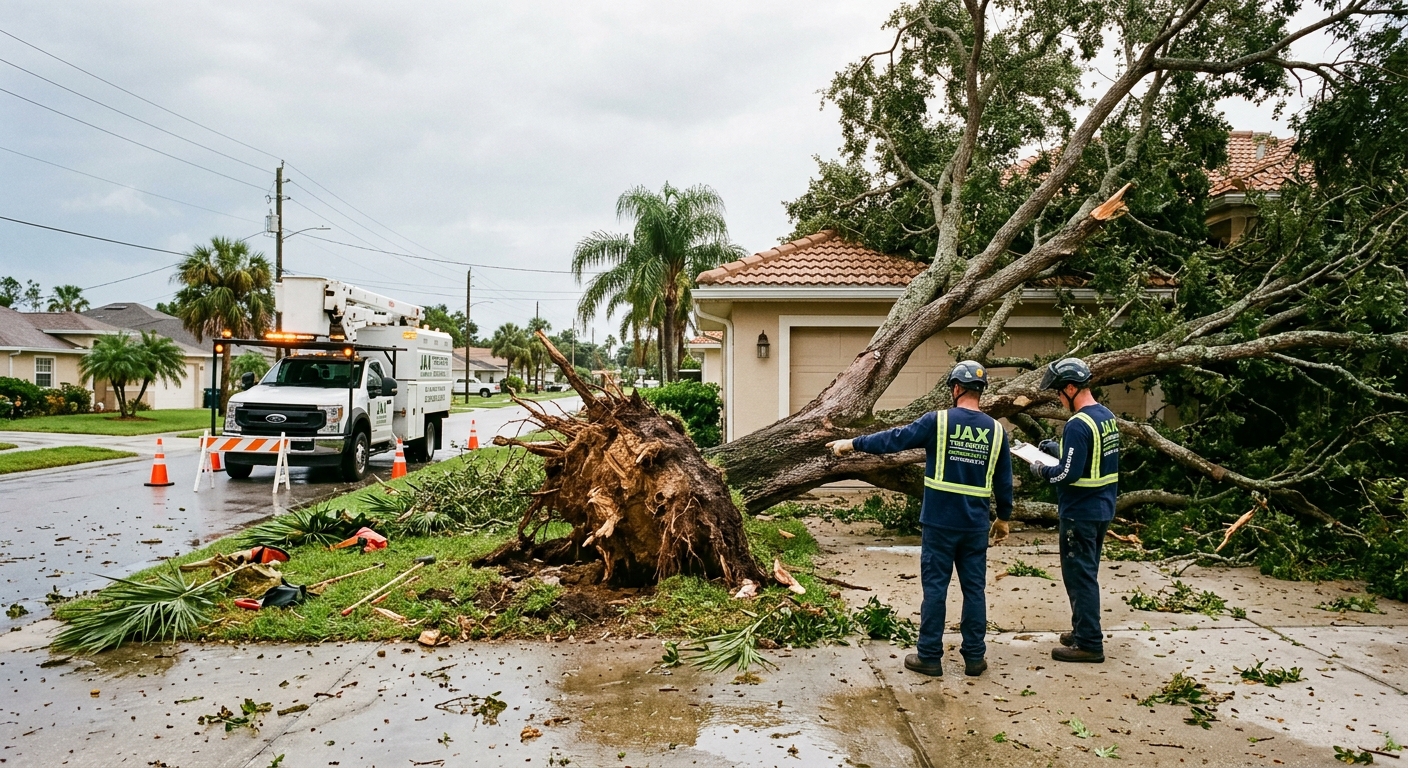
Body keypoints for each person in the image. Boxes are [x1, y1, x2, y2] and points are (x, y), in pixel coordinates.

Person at [826, 361, 1013, 678]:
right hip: (975, 525)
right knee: (974, 591)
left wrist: (853, 443)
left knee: (936, 589)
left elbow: (895, 439)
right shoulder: (997, 431)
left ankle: (929, 656)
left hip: (940, 523)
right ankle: (974, 658)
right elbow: (1004, 482)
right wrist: (1004, 518)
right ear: (980, 391)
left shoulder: (937, 422)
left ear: (955, 389)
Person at [1028, 357, 1119, 663]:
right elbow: (1088, 459)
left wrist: (1041, 469)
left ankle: (1089, 643)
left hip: (1080, 512)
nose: (1058, 398)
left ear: (1070, 387)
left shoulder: (1078, 424)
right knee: (1087, 572)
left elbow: (1069, 474)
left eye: (1058, 392)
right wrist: (1059, 451)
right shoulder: (1105, 417)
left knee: (1080, 576)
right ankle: (1083, 629)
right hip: (1102, 508)